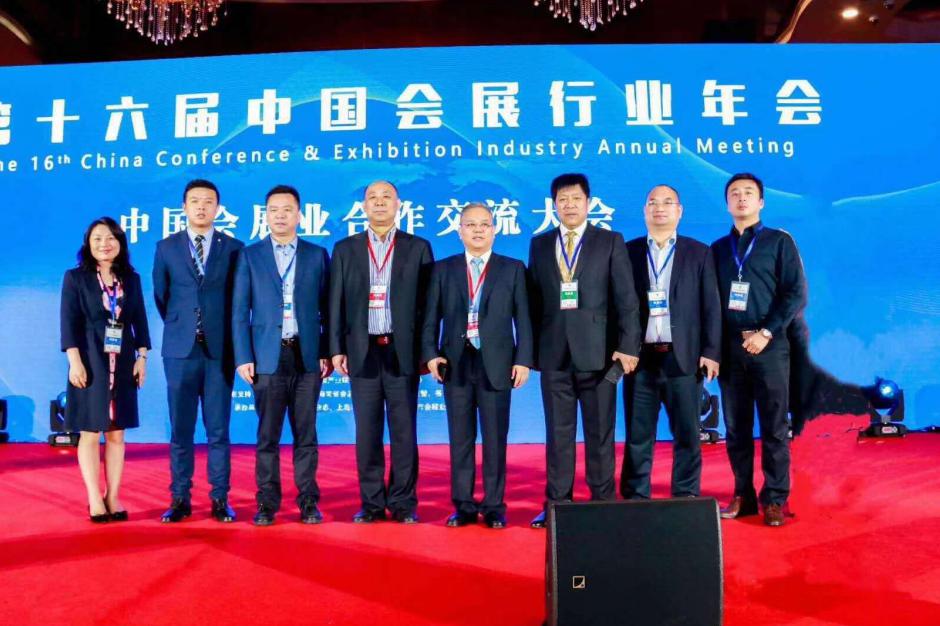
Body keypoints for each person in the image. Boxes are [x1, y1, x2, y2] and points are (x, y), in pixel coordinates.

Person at [526, 173, 641, 528]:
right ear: (554, 205)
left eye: (576, 198)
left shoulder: (609, 241)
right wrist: (529, 354)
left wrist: (628, 345)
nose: (570, 205)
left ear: (588, 203)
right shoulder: (540, 245)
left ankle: (602, 503)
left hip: (600, 355)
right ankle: (557, 504)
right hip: (553, 355)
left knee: (600, 434)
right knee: (558, 436)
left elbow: (627, 299)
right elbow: (533, 304)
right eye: (562, 199)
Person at [421, 203, 533, 529]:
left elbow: (524, 319)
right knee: (461, 438)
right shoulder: (443, 269)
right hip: (455, 363)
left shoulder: (513, 269)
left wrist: (523, 359)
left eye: (485, 224)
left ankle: (495, 506)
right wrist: (430, 354)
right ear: (459, 231)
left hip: (497, 364)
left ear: (495, 230)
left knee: (495, 439)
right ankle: (464, 505)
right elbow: (430, 318)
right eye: (471, 225)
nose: (478, 230)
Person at [329, 180, 434, 524]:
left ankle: (403, 503)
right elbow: (335, 304)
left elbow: (428, 308)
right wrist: (336, 348)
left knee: (404, 431)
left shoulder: (418, 248)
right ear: (363, 206)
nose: (379, 202)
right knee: (367, 432)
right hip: (362, 351)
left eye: (386, 196)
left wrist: (426, 352)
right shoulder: (345, 249)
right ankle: (372, 503)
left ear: (398, 204)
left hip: (402, 352)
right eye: (372, 197)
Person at [232, 185, 332, 526]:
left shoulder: (316, 255)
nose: (280, 215)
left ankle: (308, 502)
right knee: (268, 437)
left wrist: (326, 351)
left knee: (306, 435)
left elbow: (327, 309)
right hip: (266, 358)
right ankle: (266, 503)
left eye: (287, 209)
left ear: (299, 215)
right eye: (274, 210)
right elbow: (239, 311)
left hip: (306, 356)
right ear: (265, 215)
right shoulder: (250, 256)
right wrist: (243, 356)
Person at [711, 173, 806, 527]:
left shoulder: (779, 241)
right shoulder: (717, 249)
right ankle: (743, 494)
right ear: (727, 203)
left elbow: (795, 293)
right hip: (731, 349)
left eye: (748, 193)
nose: (741, 198)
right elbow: (710, 303)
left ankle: (775, 498)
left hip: (769, 346)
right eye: (734, 193)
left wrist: (766, 332)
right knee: (735, 428)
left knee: (774, 426)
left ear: (761, 201)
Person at [621, 185, 721, 501]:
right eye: (653, 202)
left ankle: (686, 495)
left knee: (687, 434)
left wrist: (711, 351)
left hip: (684, 357)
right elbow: (618, 306)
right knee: (638, 435)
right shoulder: (627, 252)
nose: (659, 208)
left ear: (680, 211)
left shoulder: (699, 252)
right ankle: (635, 497)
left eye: (667, 202)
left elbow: (711, 306)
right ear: (644, 211)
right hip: (641, 359)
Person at [153, 179, 244, 524]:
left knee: (218, 430)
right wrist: (184, 325)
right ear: (184, 207)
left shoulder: (233, 248)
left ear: (218, 208)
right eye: (195, 201)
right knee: (181, 430)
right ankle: (180, 498)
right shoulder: (166, 247)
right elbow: (162, 296)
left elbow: (238, 300)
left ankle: (220, 498)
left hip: (220, 351)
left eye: (208, 201)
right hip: (180, 351)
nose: (202, 207)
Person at [60, 217, 151, 522]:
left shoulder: (131, 279)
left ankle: (113, 496)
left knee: (116, 434)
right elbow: (68, 322)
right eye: (97, 238)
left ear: (120, 243)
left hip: (123, 361)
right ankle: (93, 498)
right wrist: (74, 361)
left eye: (111, 238)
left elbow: (140, 320)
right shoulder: (76, 278)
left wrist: (142, 357)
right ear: (88, 243)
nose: (104, 244)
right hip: (90, 360)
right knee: (89, 432)